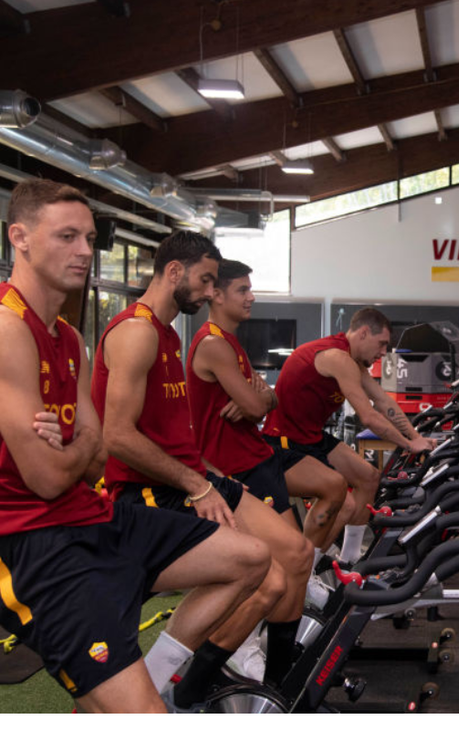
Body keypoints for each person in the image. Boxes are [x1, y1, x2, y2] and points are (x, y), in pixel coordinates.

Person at [0, 179, 268, 712]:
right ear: (20, 238)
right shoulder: (8, 330)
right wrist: (78, 449)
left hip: (95, 517)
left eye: (90, 238)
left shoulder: (71, 338)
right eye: (67, 236)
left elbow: (96, 450)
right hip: (37, 544)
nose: (84, 251)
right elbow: (51, 476)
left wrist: (73, 446)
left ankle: (147, 678)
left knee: (251, 556)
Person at [91, 231, 312, 706]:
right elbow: (118, 435)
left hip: (193, 476)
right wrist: (197, 484)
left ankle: (269, 693)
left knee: (293, 556)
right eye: (207, 280)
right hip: (151, 490)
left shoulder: (169, 333)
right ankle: (159, 688)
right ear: (175, 271)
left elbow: (177, 435)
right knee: (268, 573)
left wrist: (210, 473)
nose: (212, 291)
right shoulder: (137, 331)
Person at [187, 259, 348, 553]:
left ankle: (306, 578)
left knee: (335, 485)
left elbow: (269, 400)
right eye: (243, 290)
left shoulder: (231, 341)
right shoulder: (213, 344)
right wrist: (256, 399)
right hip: (238, 465)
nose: (251, 297)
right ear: (218, 295)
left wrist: (259, 397)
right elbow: (257, 407)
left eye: (250, 290)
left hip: (260, 451)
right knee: (292, 551)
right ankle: (303, 579)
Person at [261, 307, 437, 564]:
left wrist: (416, 436)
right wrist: (409, 445)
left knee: (369, 477)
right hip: (284, 443)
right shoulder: (337, 358)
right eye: (382, 344)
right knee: (345, 503)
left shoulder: (351, 361)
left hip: (310, 437)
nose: (384, 352)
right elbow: (368, 416)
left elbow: (382, 399)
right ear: (364, 333)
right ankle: (304, 572)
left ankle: (350, 560)